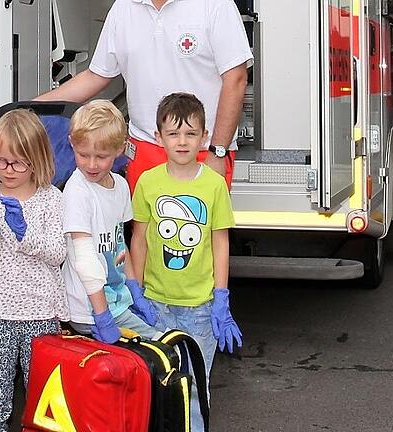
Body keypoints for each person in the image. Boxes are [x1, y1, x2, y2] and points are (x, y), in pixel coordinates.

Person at [35, 0, 252, 190]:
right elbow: (96, 76)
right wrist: (29, 108)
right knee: (143, 234)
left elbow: (236, 79)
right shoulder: (123, 8)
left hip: (201, 149)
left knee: (199, 234)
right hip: (144, 148)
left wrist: (218, 152)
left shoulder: (216, 5)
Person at [130, 93, 243, 432]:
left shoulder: (213, 185)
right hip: (156, 306)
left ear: (204, 137)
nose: (182, 141)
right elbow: (139, 238)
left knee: (194, 387)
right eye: (174, 133)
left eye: (191, 133)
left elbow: (220, 242)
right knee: (156, 384)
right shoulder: (148, 182)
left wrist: (221, 298)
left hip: (200, 308)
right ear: (158, 136)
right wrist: (136, 288)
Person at [0, 109, 68, 432]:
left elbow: (57, 254)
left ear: (36, 160)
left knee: (43, 403)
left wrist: (25, 235)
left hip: (41, 314)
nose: (7, 170)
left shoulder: (52, 200)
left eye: (17, 163)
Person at [61, 100, 159, 342]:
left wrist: (134, 289)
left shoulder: (121, 186)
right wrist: (102, 315)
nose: (91, 164)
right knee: (162, 345)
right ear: (72, 143)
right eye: (83, 155)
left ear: (120, 149)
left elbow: (119, 244)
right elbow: (84, 259)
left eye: (101, 156)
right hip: (89, 310)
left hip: (115, 301)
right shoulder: (77, 191)